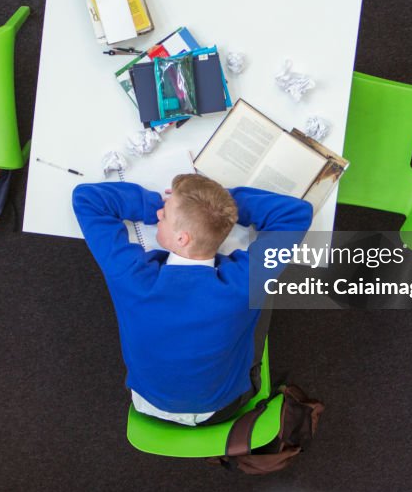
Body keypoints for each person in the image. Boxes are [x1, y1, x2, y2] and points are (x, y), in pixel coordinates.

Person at [72, 173, 312, 426]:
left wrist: (159, 204)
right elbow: (295, 214)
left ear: (181, 238)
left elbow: (88, 199)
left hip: (148, 400)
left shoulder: (131, 276)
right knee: (262, 293)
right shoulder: (243, 283)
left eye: (163, 214)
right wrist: (216, 212)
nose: (158, 216)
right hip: (221, 407)